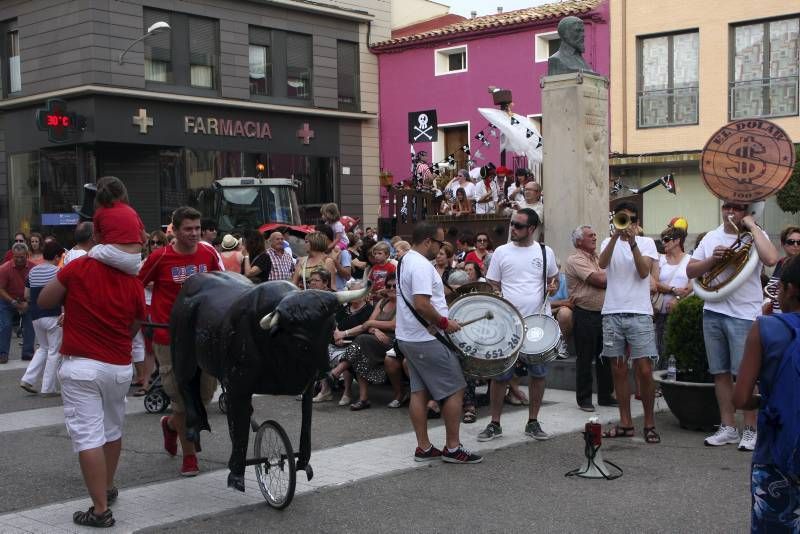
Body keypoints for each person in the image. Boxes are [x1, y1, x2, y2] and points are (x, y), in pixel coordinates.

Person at [38, 234, 145, 528]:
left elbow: (44, 299)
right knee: (112, 430)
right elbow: (137, 323)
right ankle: (108, 487)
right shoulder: (132, 280)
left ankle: (100, 510)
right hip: (119, 365)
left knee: (88, 436)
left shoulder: (80, 267)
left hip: (83, 364)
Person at [138, 207, 224, 476]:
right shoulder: (159, 257)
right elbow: (135, 285)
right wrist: (142, 315)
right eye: (188, 229)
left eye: (197, 228)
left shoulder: (209, 252)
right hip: (169, 338)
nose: (195, 234)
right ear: (174, 230)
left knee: (204, 397)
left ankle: (171, 426)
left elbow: (224, 284)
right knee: (180, 400)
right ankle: (190, 457)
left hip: (203, 336)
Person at [686, 201, 778, 450]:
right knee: (720, 372)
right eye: (727, 207)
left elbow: (771, 258)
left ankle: (751, 429)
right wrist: (711, 262)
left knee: (746, 374)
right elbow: (690, 270)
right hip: (713, 311)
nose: (730, 212)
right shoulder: (711, 237)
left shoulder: (756, 235)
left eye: (736, 208)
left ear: (746, 211)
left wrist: (751, 225)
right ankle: (727, 427)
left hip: (744, 314)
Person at [396, 222, 481, 464]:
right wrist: (444, 323)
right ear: (427, 241)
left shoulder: (405, 260)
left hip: (410, 336)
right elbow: (421, 303)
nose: (442, 247)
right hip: (426, 339)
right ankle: (453, 448)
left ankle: (423, 447)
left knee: (419, 391)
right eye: (440, 242)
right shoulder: (422, 265)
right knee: (455, 387)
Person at [478, 208, 558, 443]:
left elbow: (554, 276)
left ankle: (533, 421)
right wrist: (497, 296)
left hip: (538, 323)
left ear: (532, 229)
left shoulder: (545, 251)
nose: (513, 228)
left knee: (538, 374)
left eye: (518, 226)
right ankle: (494, 423)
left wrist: (552, 286)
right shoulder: (501, 252)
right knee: (500, 376)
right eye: (512, 224)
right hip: (508, 324)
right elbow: (492, 282)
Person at [733, 255, 800, 533]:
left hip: (776, 452)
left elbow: (740, 398)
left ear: (790, 289)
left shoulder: (766, 327)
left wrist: (768, 401)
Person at [598, 201, 661, 443]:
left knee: (644, 370)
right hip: (612, 311)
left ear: (637, 222)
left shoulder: (646, 243)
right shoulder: (607, 242)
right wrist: (616, 237)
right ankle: (626, 422)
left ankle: (649, 422)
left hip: (639, 312)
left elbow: (644, 272)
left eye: (632, 219)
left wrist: (632, 241)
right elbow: (602, 264)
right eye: (624, 218)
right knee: (618, 369)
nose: (628, 223)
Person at [565, 225, 615, 411]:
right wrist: (616, 277)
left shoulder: (597, 258)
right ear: (579, 241)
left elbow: (604, 276)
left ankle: (605, 395)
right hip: (585, 313)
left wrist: (607, 275)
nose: (595, 238)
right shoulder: (575, 259)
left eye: (595, 234)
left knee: (605, 357)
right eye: (590, 236)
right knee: (585, 358)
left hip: (603, 313)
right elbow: (600, 280)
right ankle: (584, 399)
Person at [336, 273, 397, 410]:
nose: (392, 288)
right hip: (375, 338)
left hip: (392, 340)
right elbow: (368, 325)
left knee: (361, 341)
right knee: (361, 349)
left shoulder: (403, 303)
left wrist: (372, 325)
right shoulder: (382, 302)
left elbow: (393, 325)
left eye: (395, 285)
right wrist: (374, 329)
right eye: (389, 285)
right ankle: (363, 399)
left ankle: (336, 372)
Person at [316, 281, 373, 405]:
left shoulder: (369, 310)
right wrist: (337, 334)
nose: (352, 295)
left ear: (364, 294)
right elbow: (334, 321)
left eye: (355, 293)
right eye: (350, 292)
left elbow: (364, 328)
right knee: (319, 351)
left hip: (355, 345)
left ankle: (347, 392)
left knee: (347, 356)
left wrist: (344, 334)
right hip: (337, 341)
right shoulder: (344, 308)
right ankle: (325, 390)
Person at [19, 240, 63, 395]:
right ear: (57, 257)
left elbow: (26, 295)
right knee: (53, 351)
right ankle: (48, 388)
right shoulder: (58, 272)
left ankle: (28, 379)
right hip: (53, 316)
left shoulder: (33, 271)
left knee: (43, 348)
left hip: (36, 316)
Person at [87, 176, 147, 275]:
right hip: (134, 260)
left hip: (113, 254)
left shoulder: (99, 212)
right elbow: (144, 238)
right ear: (122, 193)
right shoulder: (131, 211)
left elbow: (97, 240)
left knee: (93, 251)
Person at [652, 224, 692, 360]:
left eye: (667, 239)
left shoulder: (690, 260)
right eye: (662, 239)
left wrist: (678, 299)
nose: (664, 243)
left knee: (681, 352)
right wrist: (673, 290)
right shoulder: (660, 260)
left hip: (682, 312)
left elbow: (693, 284)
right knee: (663, 352)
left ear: (677, 241)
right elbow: (655, 283)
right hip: (662, 315)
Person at [0, 243, 35, 363]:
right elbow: (0, 289)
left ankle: (28, 353)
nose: (19, 259)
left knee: (30, 324)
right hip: (7, 300)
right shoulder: (4, 268)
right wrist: (14, 302)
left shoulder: (33, 268)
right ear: (12, 256)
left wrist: (28, 303)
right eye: (16, 257)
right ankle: (2, 354)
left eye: (22, 257)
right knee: (5, 325)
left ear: (27, 255)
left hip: (27, 299)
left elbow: (36, 288)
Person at [763, 225, 800, 315]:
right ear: (783, 244)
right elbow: (771, 288)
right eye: (791, 242)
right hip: (775, 315)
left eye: (799, 242)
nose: (795, 245)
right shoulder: (781, 263)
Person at [548, 263, 572, 359]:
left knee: (565, 313)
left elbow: (571, 302)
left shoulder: (565, 280)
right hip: (540, 311)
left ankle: (562, 346)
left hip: (557, 312)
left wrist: (552, 306)